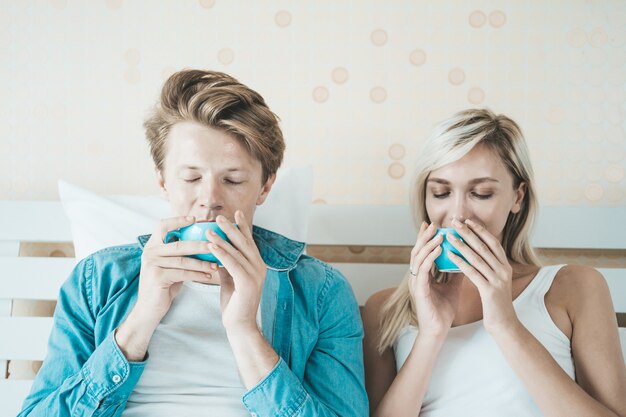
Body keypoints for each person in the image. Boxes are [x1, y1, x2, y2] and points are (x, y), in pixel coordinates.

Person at [19, 69, 367, 417]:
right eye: (191, 177)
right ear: (163, 182)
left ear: (265, 187)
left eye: (232, 179)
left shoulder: (321, 292)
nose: (209, 199)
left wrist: (245, 330)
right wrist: (141, 320)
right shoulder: (96, 280)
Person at [363, 108, 626, 417]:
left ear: (518, 197)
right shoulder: (384, 310)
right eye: (441, 192)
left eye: (481, 193)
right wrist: (431, 334)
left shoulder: (574, 287)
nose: (458, 214)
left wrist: (506, 326)